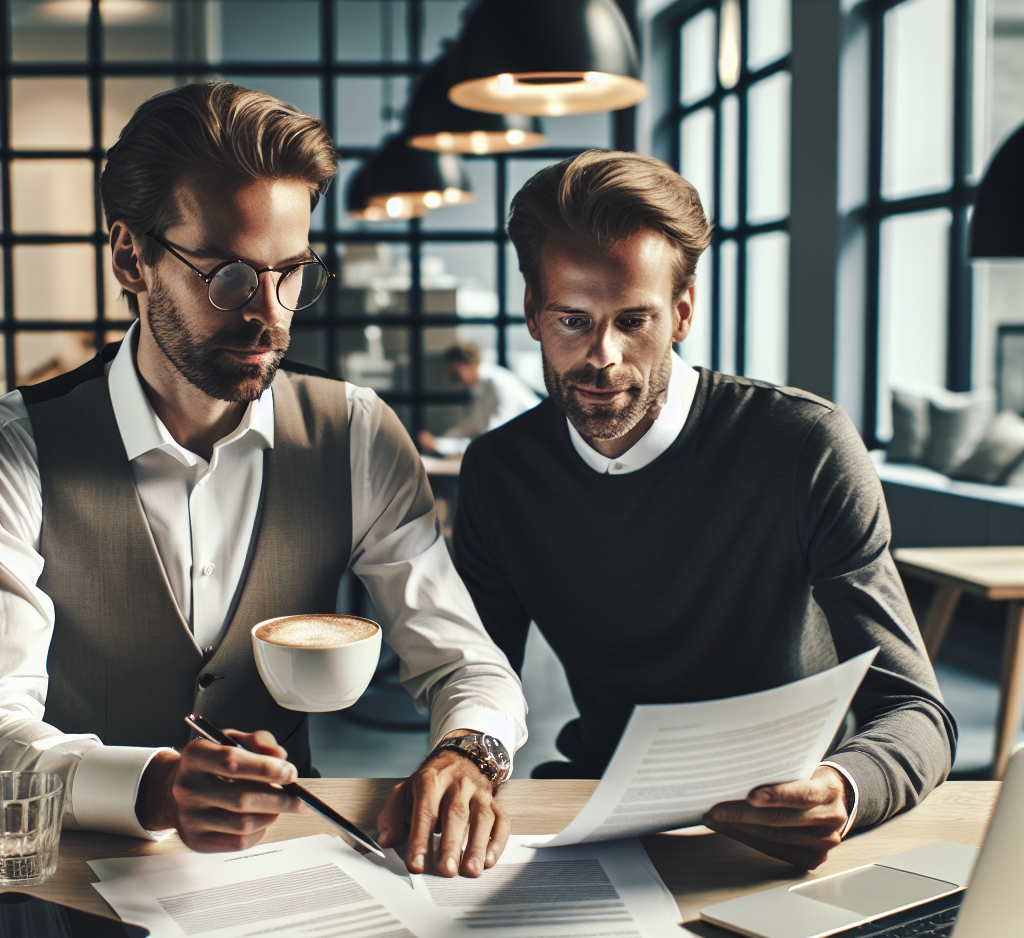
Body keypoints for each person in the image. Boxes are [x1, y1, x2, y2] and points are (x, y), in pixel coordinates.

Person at [0, 83, 528, 878]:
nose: (271, 314)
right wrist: (153, 787)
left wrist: (469, 750)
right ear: (129, 257)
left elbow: (465, 661)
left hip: (294, 866)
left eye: (291, 273)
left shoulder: (354, 431)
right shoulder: (20, 447)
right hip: (72, 881)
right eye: (229, 277)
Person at [452, 151, 957, 871]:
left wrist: (842, 788)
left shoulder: (803, 445)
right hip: (599, 810)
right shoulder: (501, 472)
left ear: (683, 311)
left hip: (786, 814)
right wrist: (467, 759)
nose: (603, 357)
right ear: (533, 311)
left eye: (635, 320)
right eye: (572, 319)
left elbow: (917, 712)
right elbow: (475, 678)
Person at [418, 342, 540, 456]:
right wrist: (438, 443)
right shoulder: (480, 387)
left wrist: (442, 445)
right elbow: (472, 426)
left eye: (456, 368)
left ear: (473, 364)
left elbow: (493, 437)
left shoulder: (495, 382)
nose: (451, 374)